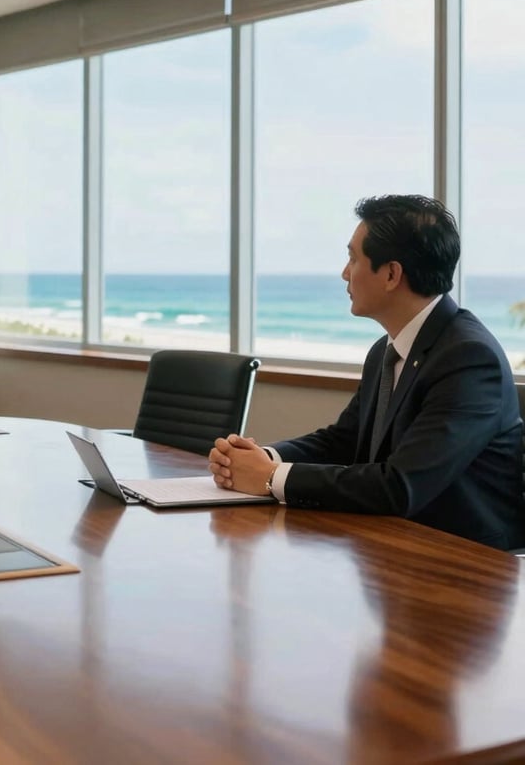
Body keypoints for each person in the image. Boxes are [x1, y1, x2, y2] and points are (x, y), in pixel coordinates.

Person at [209, 195, 525, 550]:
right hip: (393, 545)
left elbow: (400, 485)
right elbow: (343, 440)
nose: (345, 273)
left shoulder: (468, 358)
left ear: (391, 274)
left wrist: (270, 478)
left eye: (353, 258)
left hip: (464, 562)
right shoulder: (386, 350)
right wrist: (263, 458)